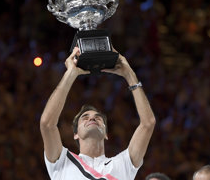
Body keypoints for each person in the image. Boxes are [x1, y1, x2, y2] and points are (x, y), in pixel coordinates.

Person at [40, 47, 156, 179]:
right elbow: (47, 124)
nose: (92, 118)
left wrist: (130, 75)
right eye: (85, 117)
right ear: (75, 134)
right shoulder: (62, 161)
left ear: (106, 133)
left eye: (98, 117)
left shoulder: (123, 163)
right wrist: (70, 74)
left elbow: (148, 123)